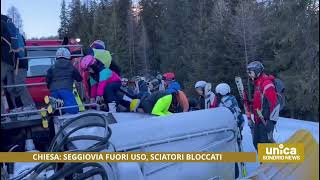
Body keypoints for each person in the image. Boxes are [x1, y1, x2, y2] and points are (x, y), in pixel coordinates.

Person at [247, 60, 278, 150]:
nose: (249, 74)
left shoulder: (267, 84)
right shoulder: (258, 83)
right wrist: (250, 102)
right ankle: (264, 163)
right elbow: (261, 101)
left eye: (250, 72)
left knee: (265, 146)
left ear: (257, 72)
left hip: (265, 120)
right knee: (256, 143)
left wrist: (271, 121)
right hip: (258, 119)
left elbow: (274, 104)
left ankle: (271, 163)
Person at [46, 48, 83, 114]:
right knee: (73, 110)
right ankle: (62, 107)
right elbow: (79, 78)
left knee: (54, 111)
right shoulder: (71, 67)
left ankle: (56, 111)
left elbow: (47, 79)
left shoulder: (52, 67)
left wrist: (49, 87)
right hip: (66, 89)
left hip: (53, 90)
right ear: (68, 56)